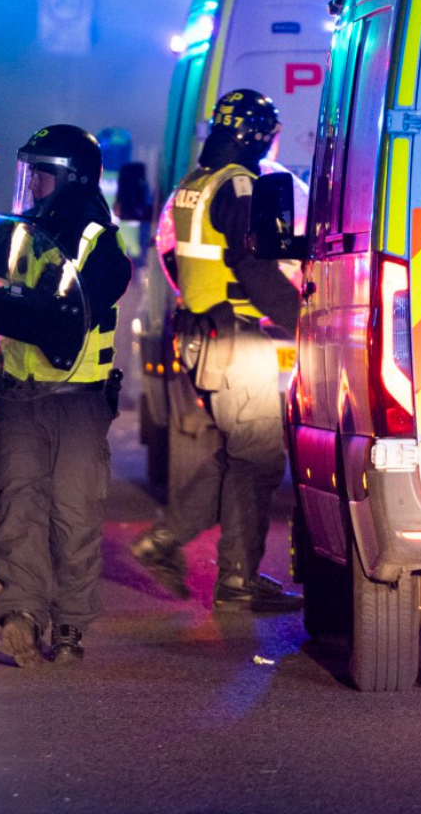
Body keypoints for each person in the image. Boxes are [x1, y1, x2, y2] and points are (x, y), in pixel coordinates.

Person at [0, 127, 131, 666]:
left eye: (42, 174)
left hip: (78, 400)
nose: (32, 186)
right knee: (19, 505)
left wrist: (4, 306)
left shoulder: (102, 244)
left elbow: (66, 319)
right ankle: (22, 614)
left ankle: (71, 624)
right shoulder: (22, 233)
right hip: (23, 396)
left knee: (73, 513)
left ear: (73, 178)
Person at [131, 90, 304, 613]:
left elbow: (170, 252)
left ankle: (164, 542)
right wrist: (304, 320)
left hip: (203, 335)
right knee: (257, 459)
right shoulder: (239, 185)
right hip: (234, 338)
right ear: (255, 136)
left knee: (236, 454)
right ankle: (237, 581)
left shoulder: (194, 183)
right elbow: (252, 267)